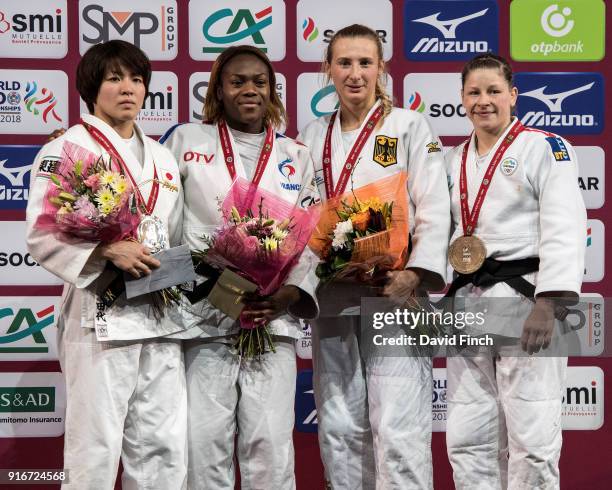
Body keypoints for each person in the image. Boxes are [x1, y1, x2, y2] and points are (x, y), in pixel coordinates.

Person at [26, 40, 187, 489]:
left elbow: (172, 235)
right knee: (94, 446)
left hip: (159, 313)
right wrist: (105, 252)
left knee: (163, 444)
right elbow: (43, 234)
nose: (128, 88)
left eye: (136, 79)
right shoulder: (67, 149)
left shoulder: (163, 157)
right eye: (115, 78)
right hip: (100, 315)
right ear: (91, 88)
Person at [160, 45, 320, 490]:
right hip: (204, 317)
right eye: (237, 82)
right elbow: (167, 231)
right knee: (204, 442)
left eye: (260, 81)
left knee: (269, 444)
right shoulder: (186, 142)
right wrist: (219, 290)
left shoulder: (297, 154)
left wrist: (289, 293)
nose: (249, 89)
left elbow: (313, 239)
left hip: (273, 319)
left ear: (272, 90)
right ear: (218, 91)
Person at [298, 24, 450, 489]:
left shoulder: (407, 125)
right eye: (344, 62)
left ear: (382, 68)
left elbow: (434, 205)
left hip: (394, 295)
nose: (355, 73)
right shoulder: (312, 133)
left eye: (365, 62)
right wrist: (313, 268)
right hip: (333, 296)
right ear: (328, 69)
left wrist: (418, 273)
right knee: (340, 424)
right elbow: (304, 211)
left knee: (399, 424)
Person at [444, 53, 586, 489]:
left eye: (493, 91)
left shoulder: (545, 147)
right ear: (461, 99)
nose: (483, 100)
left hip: (526, 301)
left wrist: (549, 303)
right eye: (474, 92)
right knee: (468, 434)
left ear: (513, 95)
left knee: (533, 435)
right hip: (468, 301)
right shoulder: (451, 160)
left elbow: (565, 224)